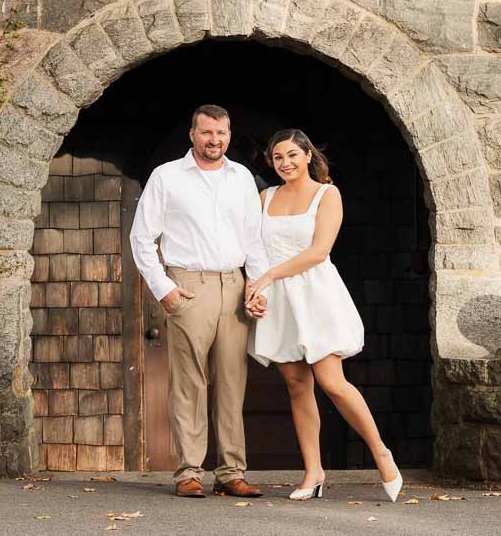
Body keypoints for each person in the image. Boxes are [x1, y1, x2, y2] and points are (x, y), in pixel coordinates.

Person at [245, 129, 403, 503]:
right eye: (278, 157)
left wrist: (268, 275)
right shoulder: (265, 197)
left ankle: (381, 452)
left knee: (332, 381)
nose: (285, 163)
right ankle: (313, 472)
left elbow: (319, 251)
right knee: (297, 386)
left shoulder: (327, 194)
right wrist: (255, 289)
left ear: (307, 155)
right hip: (279, 301)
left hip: (316, 294)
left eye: (292, 155)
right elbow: (254, 249)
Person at [128, 104, 270, 499]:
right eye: (207, 133)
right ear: (192, 134)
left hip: (235, 283)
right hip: (189, 285)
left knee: (231, 382)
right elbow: (141, 238)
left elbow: (253, 237)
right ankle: (189, 471)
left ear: (229, 134)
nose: (214, 140)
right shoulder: (167, 177)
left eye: (221, 133)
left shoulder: (241, 177)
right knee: (188, 383)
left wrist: (257, 287)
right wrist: (164, 288)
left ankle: (231, 472)